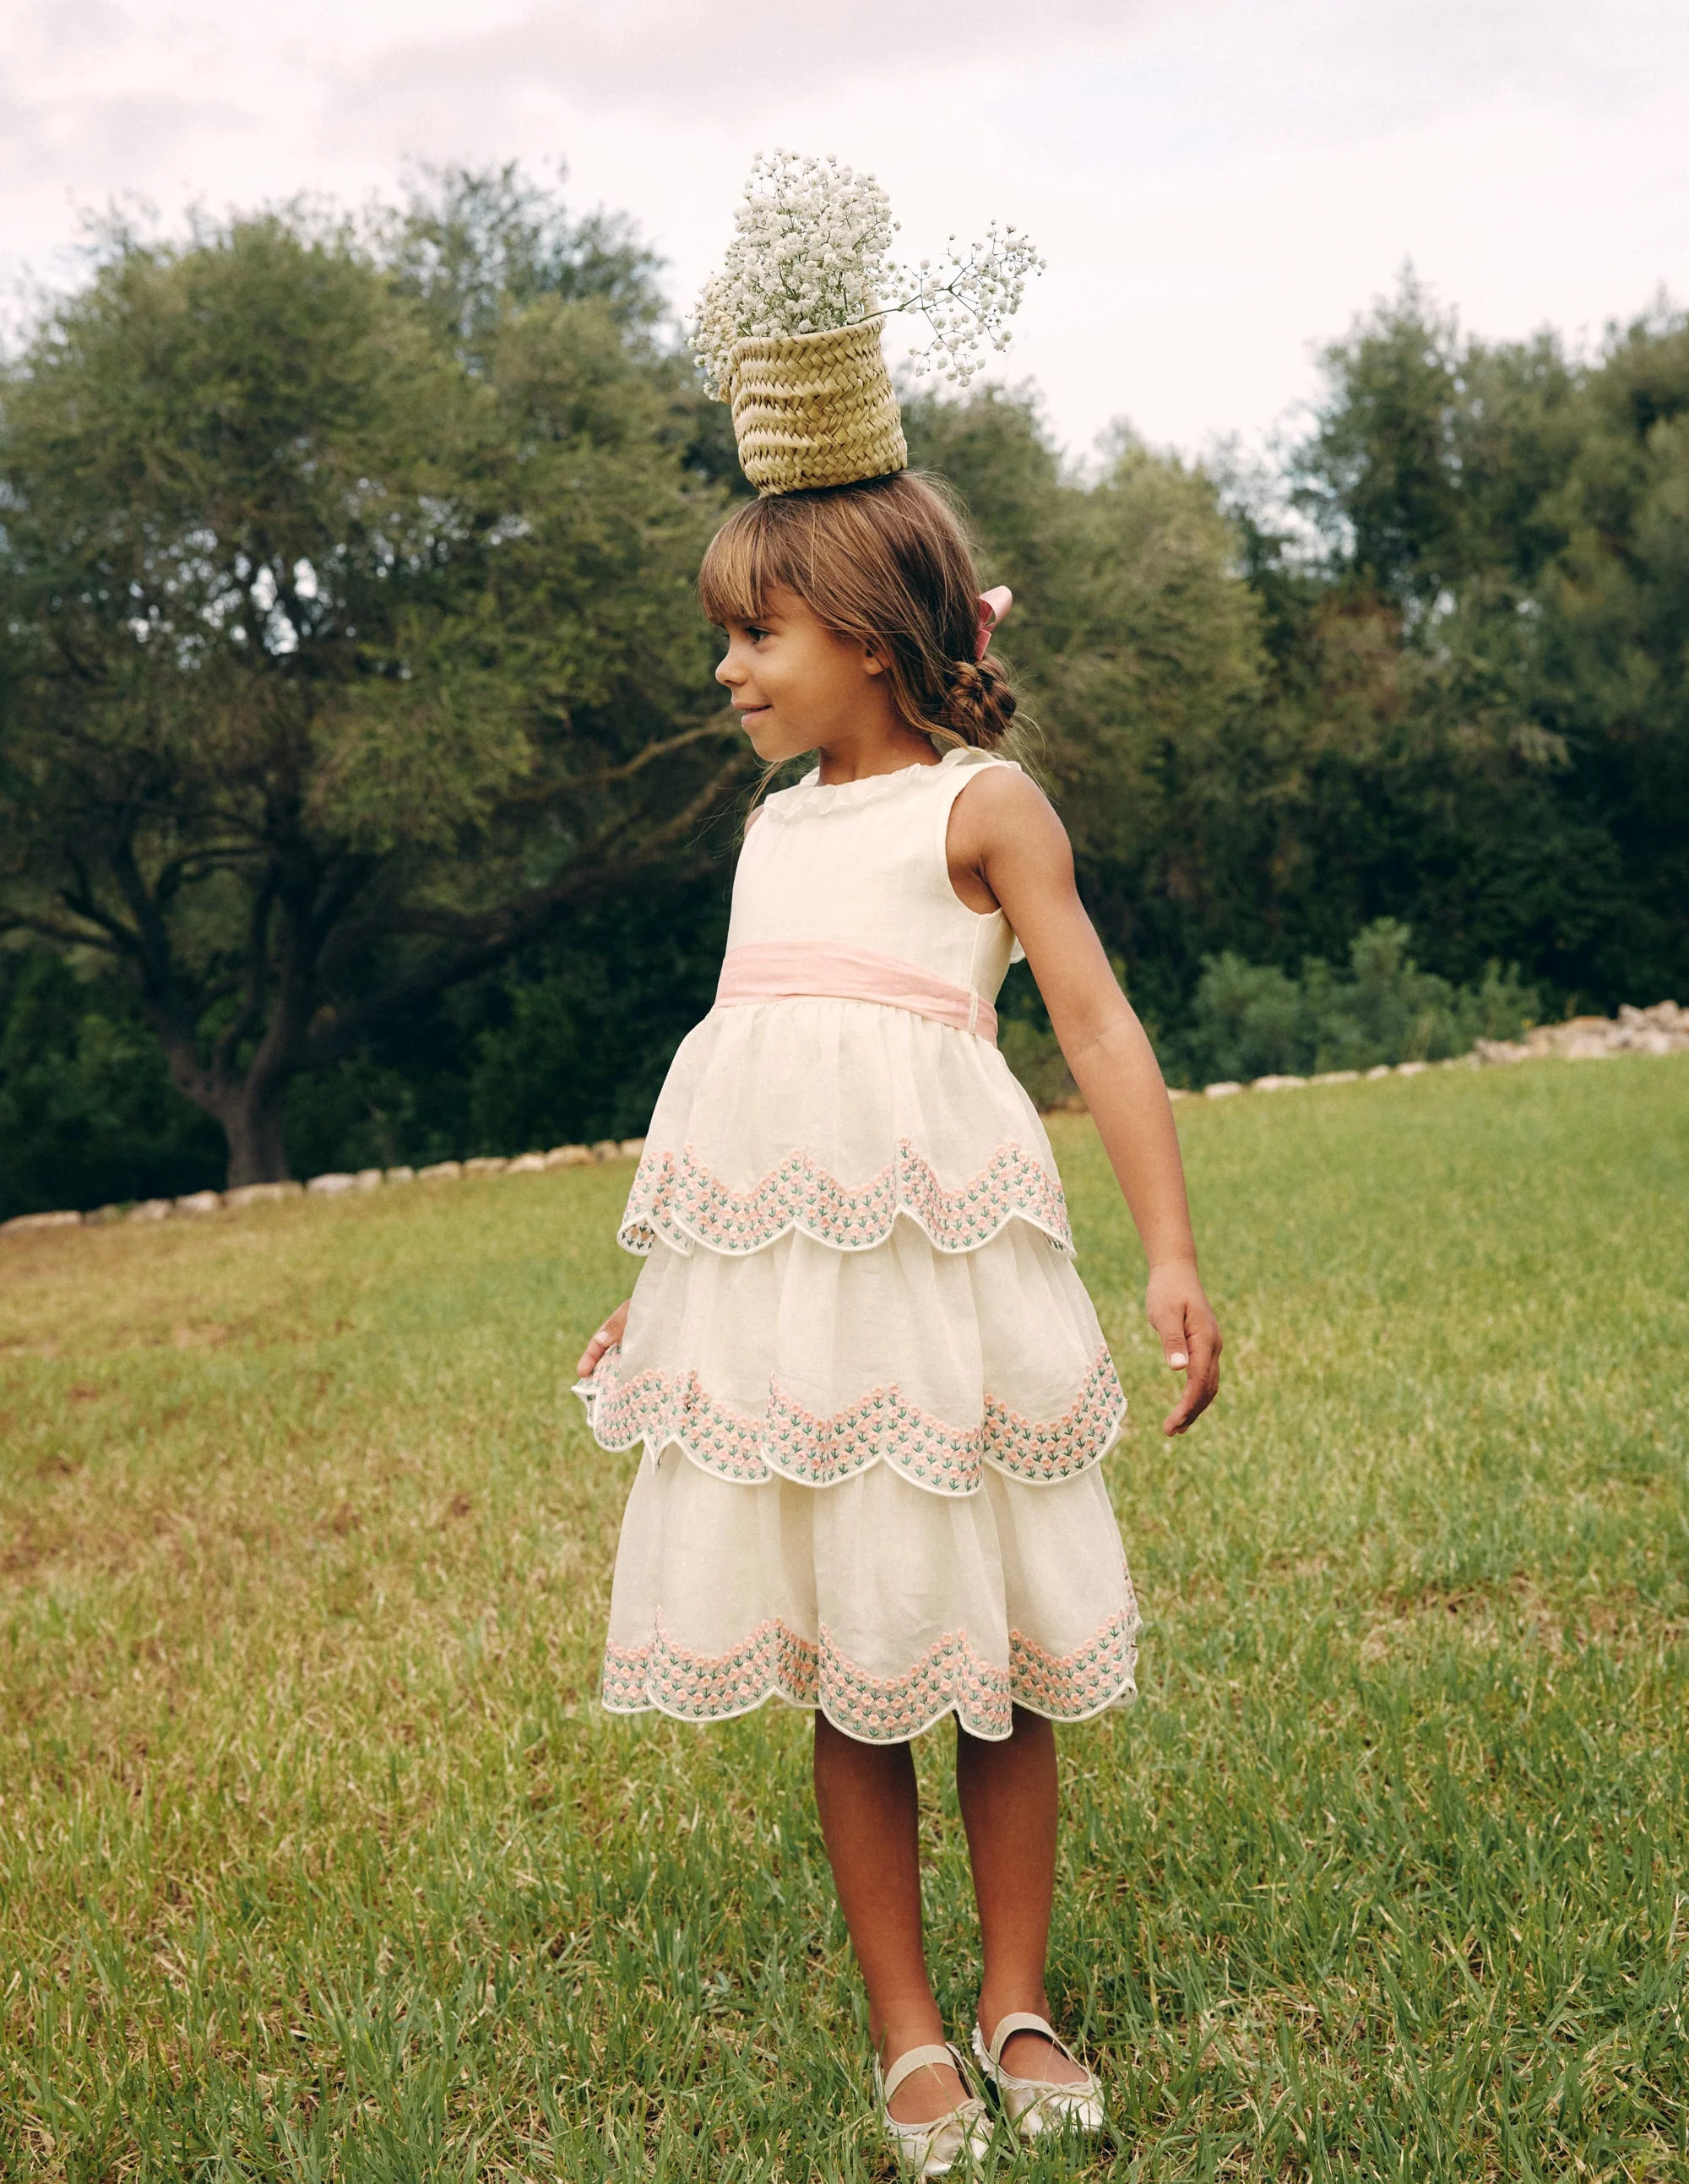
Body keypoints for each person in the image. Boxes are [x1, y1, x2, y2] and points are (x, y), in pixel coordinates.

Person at [573, 457, 1221, 2171]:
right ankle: (910, 2034)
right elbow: (738, 1108)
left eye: (754, 633)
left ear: (865, 634)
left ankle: (1016, 1999)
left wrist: (1164, 1250)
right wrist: (660, 1311)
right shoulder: (770, 832)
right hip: (805, 1331)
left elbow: (1093, 1030)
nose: (726, 670)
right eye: (726, 635)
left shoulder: (985, 809)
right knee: (854, 1667)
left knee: (994, 1659)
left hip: (949, 1301)